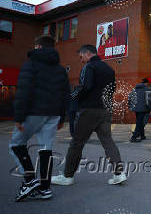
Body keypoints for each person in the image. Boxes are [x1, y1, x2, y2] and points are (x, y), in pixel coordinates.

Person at [51, 44, 127, 186]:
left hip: (89, 110)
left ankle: (67, 176)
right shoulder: (109, 69)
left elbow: (85, 86)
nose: (80, 59)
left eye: (80, 56)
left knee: (76, 143)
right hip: (105, 110)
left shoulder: (89, 67)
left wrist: (72, 96)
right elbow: (112, 89)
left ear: (87, 53)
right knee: (107, 141)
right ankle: (119, 173)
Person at [9, 35, 70, 201]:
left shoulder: (31, 65)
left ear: (38, 47)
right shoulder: (60, 69)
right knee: (46, 149)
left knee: (16, 144)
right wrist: (62, 117)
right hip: (53, 114)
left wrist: (19, 117)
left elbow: (23, 90)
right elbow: (66, 95)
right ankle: (45, 188)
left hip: (33, 112)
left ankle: (29, 181)